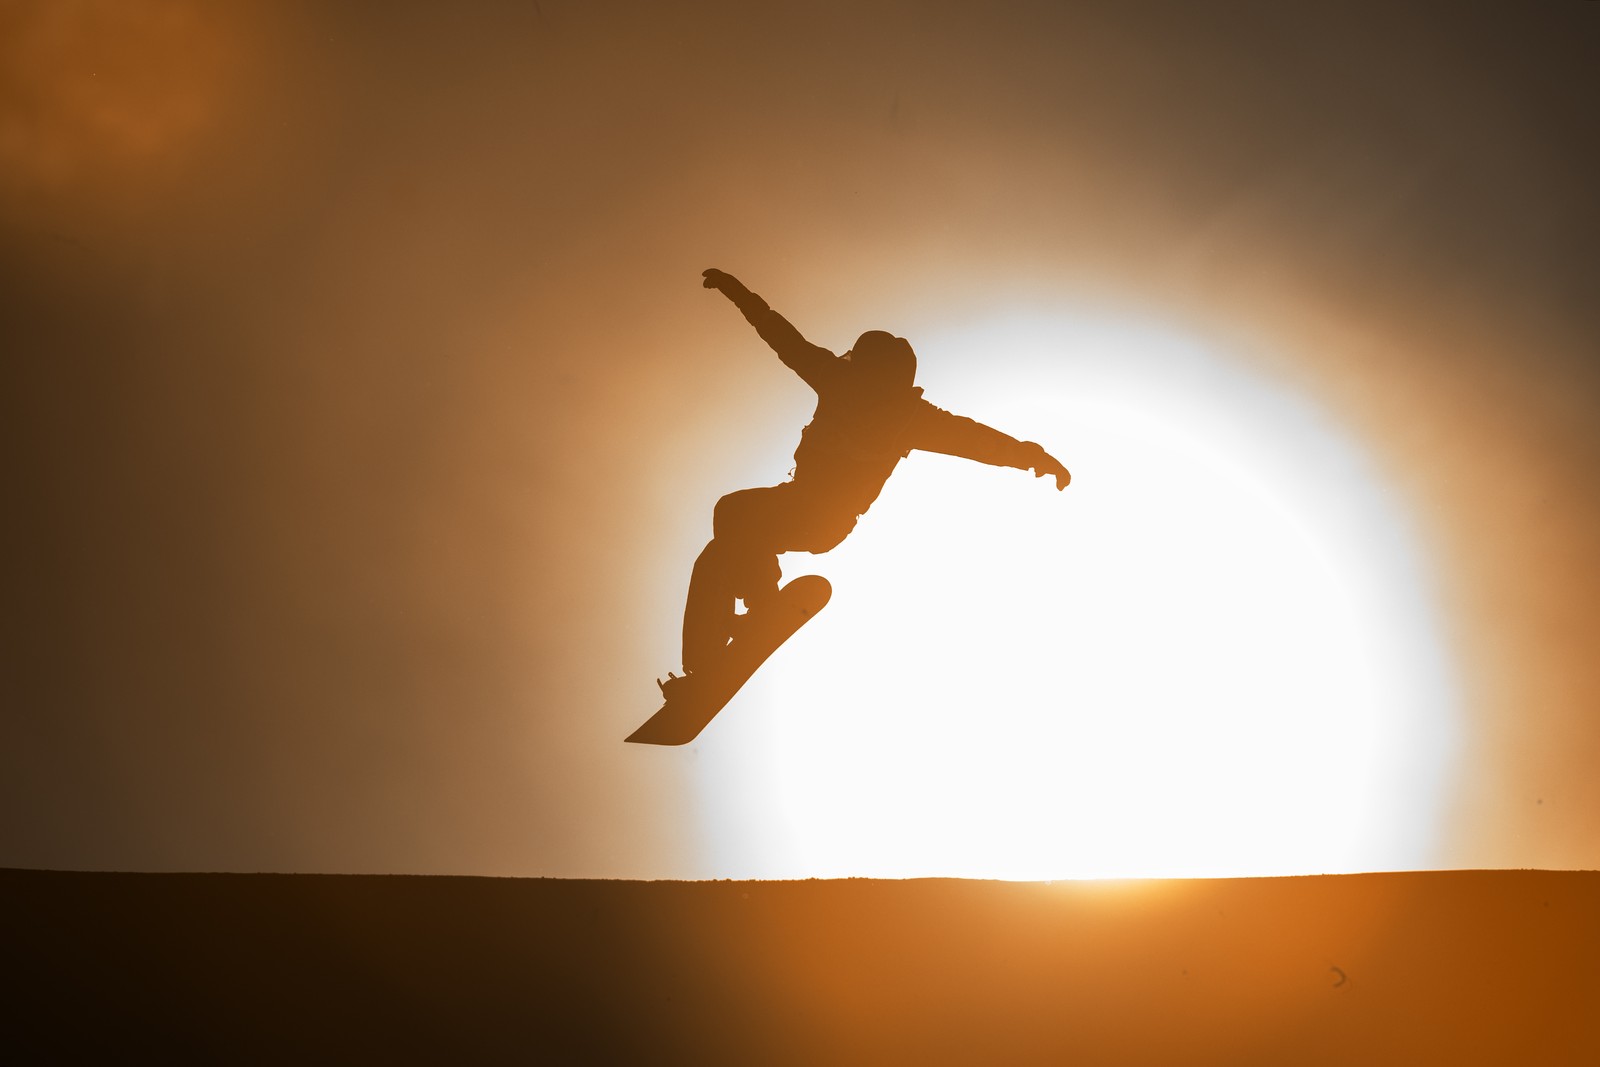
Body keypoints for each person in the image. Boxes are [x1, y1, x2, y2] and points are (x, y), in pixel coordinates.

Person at [668, 268, 1070, 692]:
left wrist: (1034, 456)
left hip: (822, 517)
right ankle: (705, 663)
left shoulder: (880, 401)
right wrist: (737, 292)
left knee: (733, 516)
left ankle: (757, 604)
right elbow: (779, 335)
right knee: (721, 543)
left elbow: (976, 441)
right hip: (807, 511)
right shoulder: (889, 405)